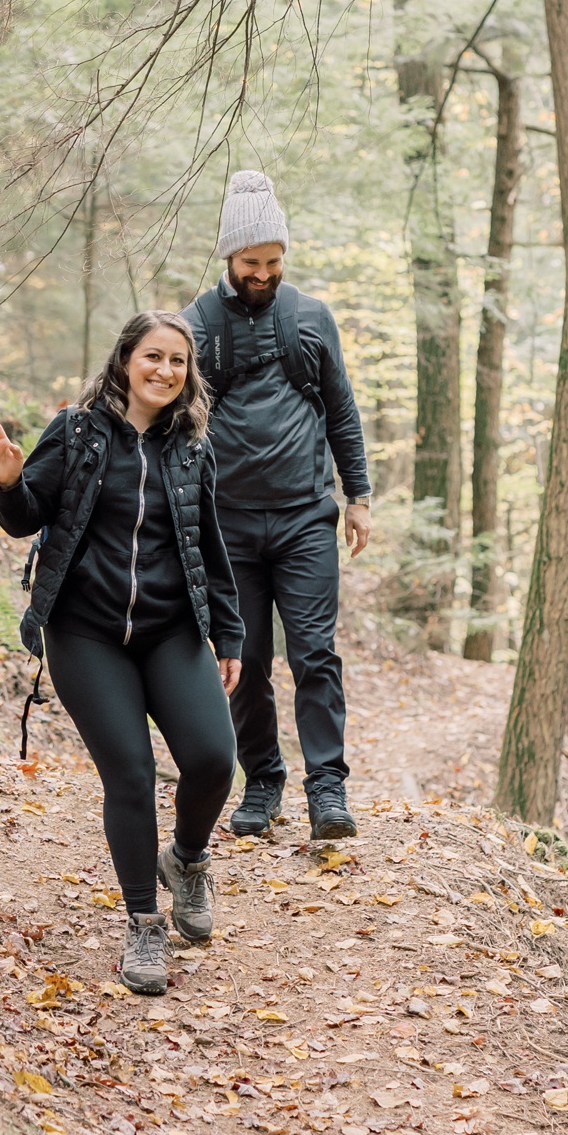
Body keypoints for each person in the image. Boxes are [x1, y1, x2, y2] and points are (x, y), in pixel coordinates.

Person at [0, 312, 244, 997]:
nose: (165, 371)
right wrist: (9, 480)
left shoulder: (193, 447)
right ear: (125, 360)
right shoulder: (78, 431)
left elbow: (210, 546)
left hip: (171, 630)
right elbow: (24, 517)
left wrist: (230, 634)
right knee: (131, 771)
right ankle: (144, 923)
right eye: (153, 357)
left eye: (178, 361)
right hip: (85, 633)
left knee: (214, 759)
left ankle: (184, 859)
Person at [183, 170, 374, 842]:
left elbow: (342, 412)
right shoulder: (195, 327)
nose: (263, 273)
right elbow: (172, 425)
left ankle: (328, 790)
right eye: (251, 263)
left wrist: (359, 497)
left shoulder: (311, 318)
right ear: (228, 259)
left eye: (273, 261)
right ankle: (262, 782)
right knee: (247, 660)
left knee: (315, 653)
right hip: (227, 526)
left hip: (305, 519)